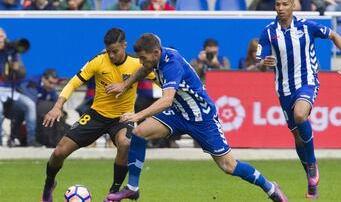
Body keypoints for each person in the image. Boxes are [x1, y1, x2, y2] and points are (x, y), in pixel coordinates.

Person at [104, 33, 288, 202]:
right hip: (178, 113)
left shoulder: (171, 64)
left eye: (143, 58)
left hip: (201, 118)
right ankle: (133, 188)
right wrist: (125, 84)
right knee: (139, 132)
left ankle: (270, 187)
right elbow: (144, 70)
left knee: (229, 166)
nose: (141, 62)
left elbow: (166, 100)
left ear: (156, 52)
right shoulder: (154, 59)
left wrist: (137, 115)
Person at [40, 28, 155, 202]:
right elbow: (73, 83)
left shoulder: (137, 63)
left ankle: (113, 192)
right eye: (108, 51)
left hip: (123, 117)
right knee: (59, 152)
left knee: (125, 143)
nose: (111, 55)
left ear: (124, 45)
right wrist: (57, 106)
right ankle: (49, 184)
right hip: (96, 115)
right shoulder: (98, 61)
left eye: (115, 51)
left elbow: (160, 78)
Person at [256, 0, 341, 199]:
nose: (280, 8)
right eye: (277, 5)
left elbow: (334, 35)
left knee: (300, 116)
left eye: (284, 4)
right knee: (298, 138)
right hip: (283, 90)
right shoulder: (267, 32)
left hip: (307, 81)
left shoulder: (306, 25)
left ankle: (312, 164)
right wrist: (265, 62)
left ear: (293, 5)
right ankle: (311, 183)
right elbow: (260, 62)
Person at [0, 27, 41, 147]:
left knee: (30, 105)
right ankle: (1, 139)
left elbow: (23, 74)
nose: (1, 41)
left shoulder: (12, 52)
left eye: (2, 38)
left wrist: (17, 68)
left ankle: (31, 139)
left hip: (12, 90)